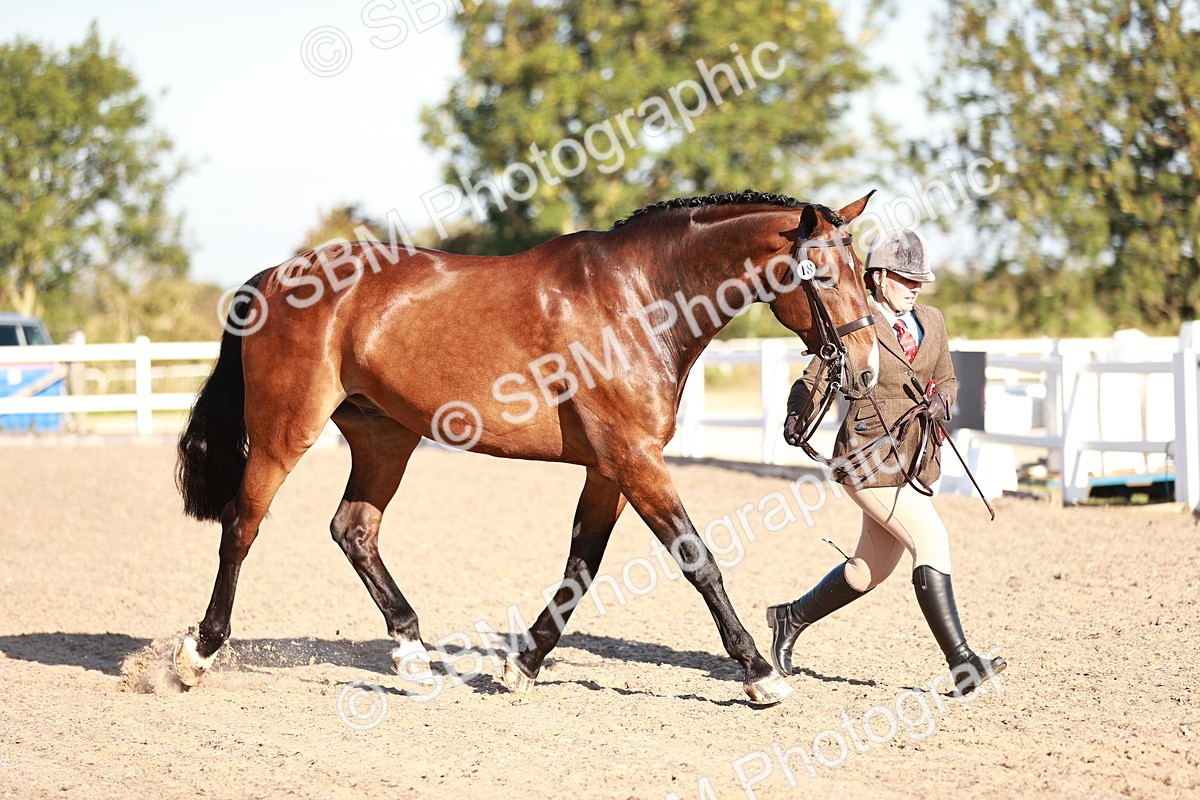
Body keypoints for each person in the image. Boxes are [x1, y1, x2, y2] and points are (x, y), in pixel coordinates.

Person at [766, 228, 1006, 695]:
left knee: (866, 572)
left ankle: (789, 618)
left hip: (913, 458)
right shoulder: (855, 322)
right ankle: (963, 664)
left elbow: (948, 379)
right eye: (904, 278)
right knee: (932, 539)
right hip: (864, 458)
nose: (914, 287)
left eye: (919, 280)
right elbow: (817, 374)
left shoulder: (932, 320)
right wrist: (799, 411)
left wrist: (944, 403)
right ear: (877, 277)